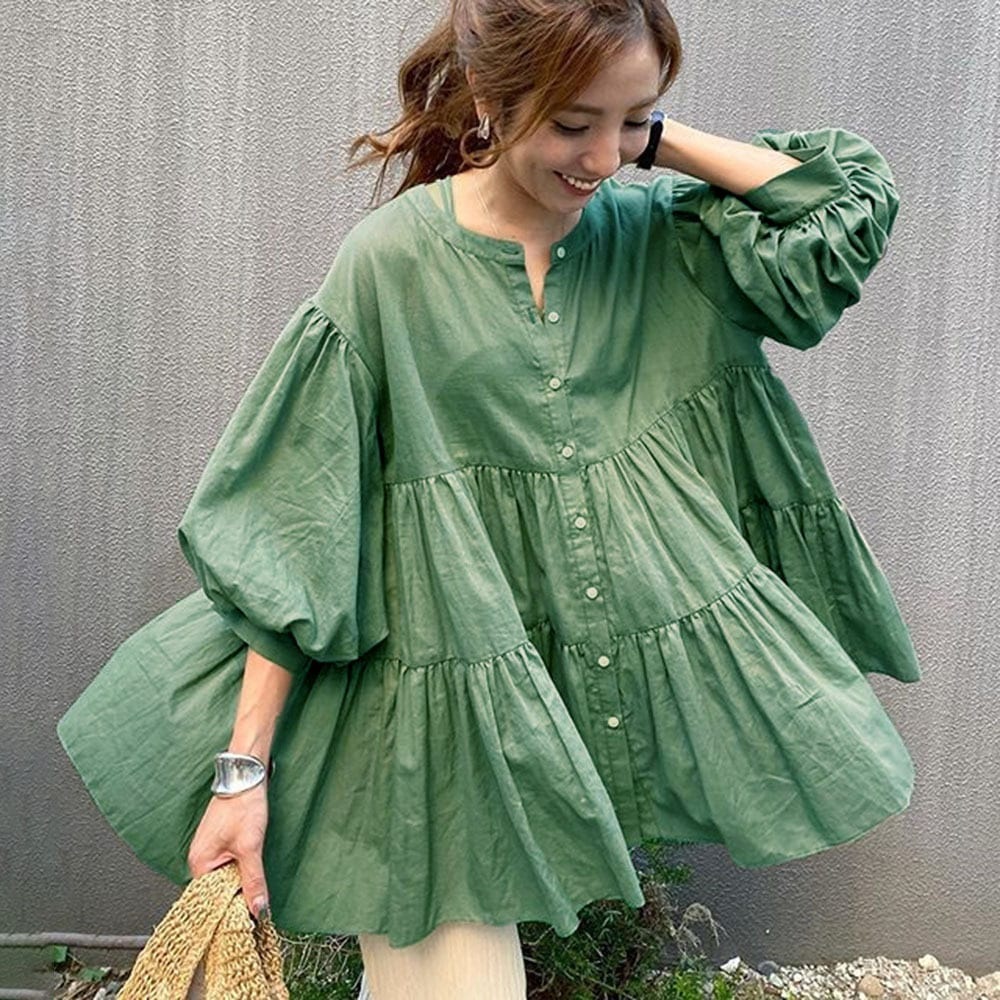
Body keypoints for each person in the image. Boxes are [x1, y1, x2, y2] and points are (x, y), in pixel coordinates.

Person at [58, 0, 921, 997]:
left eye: (632, 119)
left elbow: (843, 203)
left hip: (542, 700)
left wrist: (654, 140)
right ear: (490, 97)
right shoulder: (390, 266)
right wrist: (242, 774)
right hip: (419, 718)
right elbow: (297, 526)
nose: (601, 158)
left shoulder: (663, 245)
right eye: (573, 122)